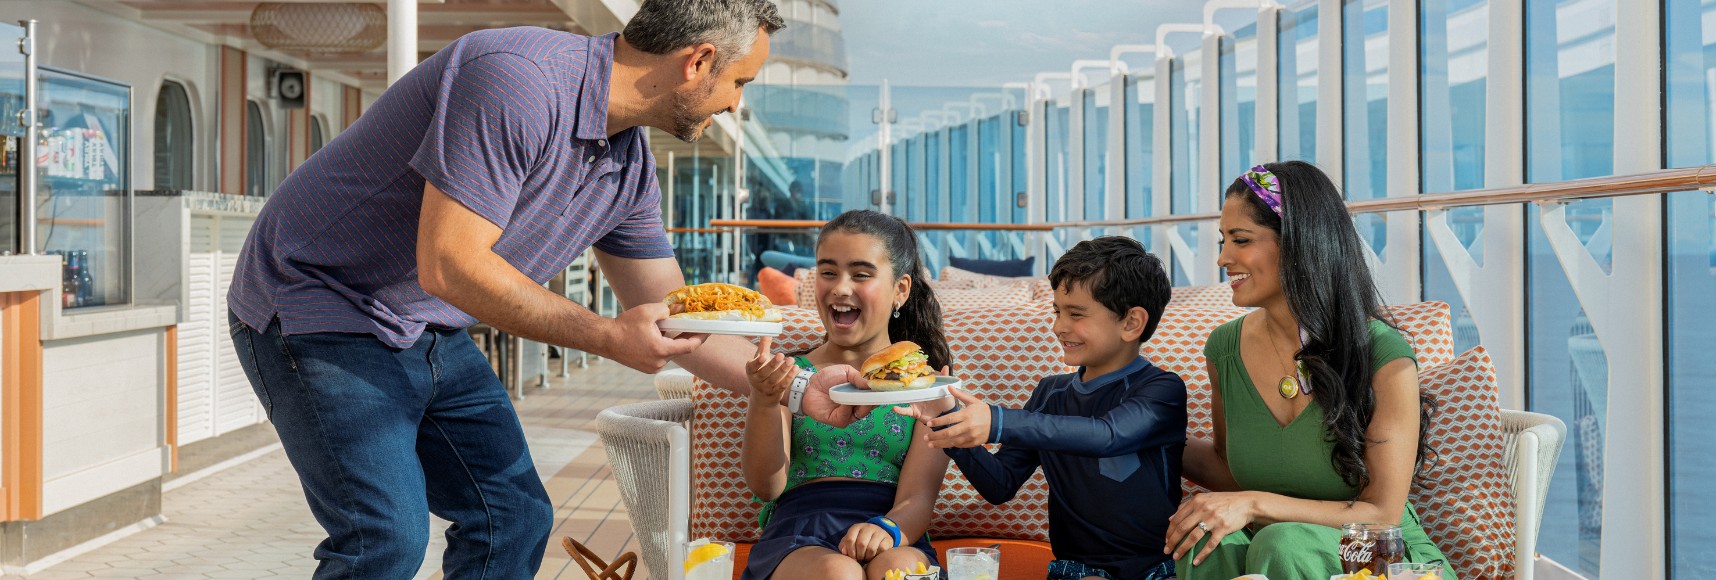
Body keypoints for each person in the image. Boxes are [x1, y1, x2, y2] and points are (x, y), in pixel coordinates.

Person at [225, 2, 859, 577]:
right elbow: (448, 264)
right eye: (740, 82)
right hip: (320, 303)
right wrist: (607, 337)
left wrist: (801, 389)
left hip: (429, 324)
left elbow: (680, 321)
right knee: (384, 538)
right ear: (698, 62)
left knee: (514, 518)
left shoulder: (627, 165)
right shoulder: (517, 78)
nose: (736, 106)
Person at [1165, 162, 1456, 579]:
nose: (1223, 258)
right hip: (1273, 551)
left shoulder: (1384, 356)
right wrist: (1135, 430)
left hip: (1380, 558)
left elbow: (1382, 513)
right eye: (1223, 240)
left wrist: (1254, 504)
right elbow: (1230, 469)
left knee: (1282, 543)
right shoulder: (1224, 350)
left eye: (1241, 240)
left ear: (1299, 243)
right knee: (1204, 540)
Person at [902, 236, 1185, 580]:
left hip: (1156, 570)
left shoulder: (1162, 391)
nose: (1058, 326)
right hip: (1075, 571)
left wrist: (998, 421)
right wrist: (947, 418)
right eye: (1057, 311)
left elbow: (1109, 435)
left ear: (1131, 323)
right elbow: (999, 484)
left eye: (1075, 314)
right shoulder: (1051, 393)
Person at [741, 210, 951, 580]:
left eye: (861, 274)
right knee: (838, 573)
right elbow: (766, 486)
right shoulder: (790, 374)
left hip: (895, 528)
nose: (840, 287)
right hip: (797, 534)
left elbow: (918, 498)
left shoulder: (926, 386)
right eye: (828, 272)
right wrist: (765, 398)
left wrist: (887, 530)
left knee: (902, 569)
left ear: (900, 290)